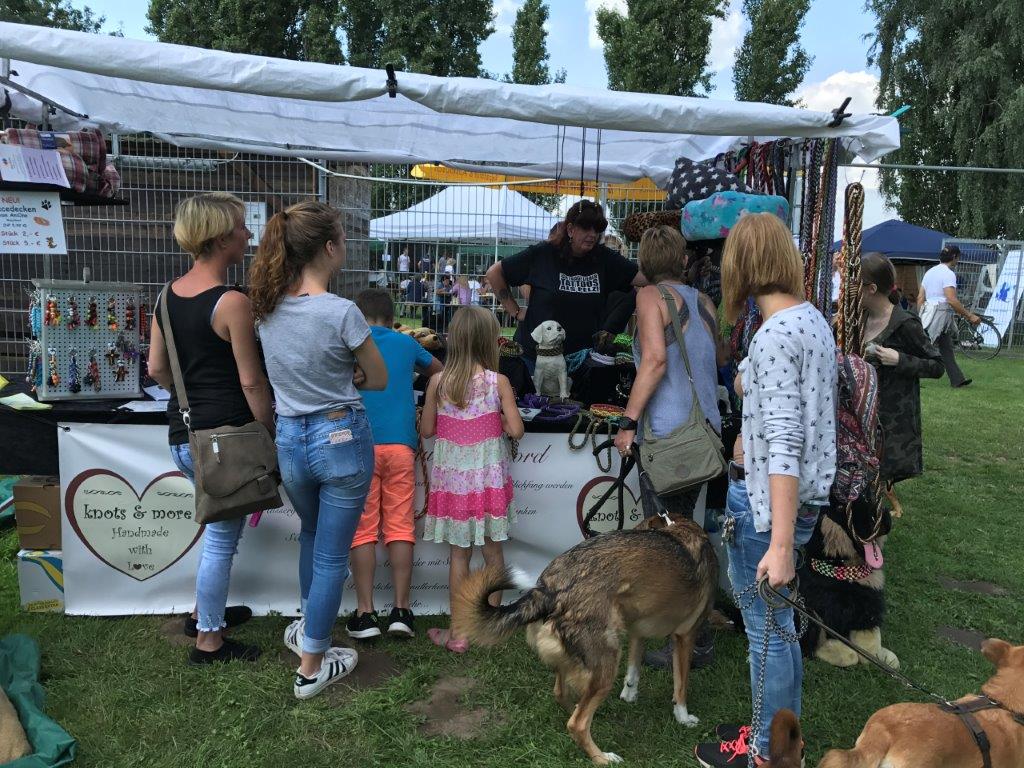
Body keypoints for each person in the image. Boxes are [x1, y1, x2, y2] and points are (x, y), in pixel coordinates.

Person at [694, 213, 837, 768]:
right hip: (797, 503)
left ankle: (766, 755)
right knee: (779, 625)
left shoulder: (775, 335)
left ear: (742, 265)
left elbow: (784, 442)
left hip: (767, 509)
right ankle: (780, 741)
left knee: (767, 632)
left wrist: (778, 545)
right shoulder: (809, 320)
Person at [248, 201, 388, 700]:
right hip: (339, 436)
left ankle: (309, 627)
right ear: (329, 248)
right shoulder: (341, 311)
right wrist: (348, 375)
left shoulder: (265, 310)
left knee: (312, 536)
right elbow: (378, 377)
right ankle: (311, 665)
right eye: (343, 240)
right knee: (331, 555)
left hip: (290, 439)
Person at [147, 192, 273, 665]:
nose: (248, 234)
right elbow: (251, 381)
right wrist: (267, 431)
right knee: (221, 539)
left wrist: (191, 397)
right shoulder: (231, 302)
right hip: (229, 441)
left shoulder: (165, 296)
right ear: (221, 238)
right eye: (241, 226)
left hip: (185, 436)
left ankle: (206, 612)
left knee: (218, 533)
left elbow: (156, 368)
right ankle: (209, 640)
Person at [613, 225, 723, 670]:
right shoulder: (704, 302)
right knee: (687, 533)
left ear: (643, 262)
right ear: (682, 260)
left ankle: (689, 640)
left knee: (668, 540)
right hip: (703, 432)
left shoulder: (650, 298)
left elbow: (656, 360)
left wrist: (628, 422)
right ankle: (697, 635)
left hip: (668, 436)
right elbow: (719, 356)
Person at [419, 306, 524, 653]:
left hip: (454, 485)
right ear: (489, 341)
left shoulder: (438, 382)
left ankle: (459, 632)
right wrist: (499, 422)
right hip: (488, 482)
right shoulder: (498, 382)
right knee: (493, 553)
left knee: (459, 557)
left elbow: (428, 429)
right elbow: (517, 429)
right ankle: (489, 625)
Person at [347, 289, 443, 640]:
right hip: (401, 446)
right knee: (401, 526)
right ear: (392, 319)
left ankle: (365, 613)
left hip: (359, 445)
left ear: (358, 318)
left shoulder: (350, 345)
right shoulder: (406, 343)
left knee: (363, 530)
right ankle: (402, 610)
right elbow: (439, 372)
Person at [486, 200, 643, 375]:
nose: (592, 234)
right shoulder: (543, 254)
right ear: (570, 229)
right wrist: (515, 311)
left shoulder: (605, 259)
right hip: (536, 360)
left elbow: (643, 278)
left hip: (580, 361)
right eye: (586, 227)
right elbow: (494, 273)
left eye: (597, 229)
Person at [860, 253, 943, 513]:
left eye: (855, 284)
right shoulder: (858, 319)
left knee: (877, 474)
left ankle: (872, 523)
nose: (849, 289)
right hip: (860, 414)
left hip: (890, 420)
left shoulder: (905, 324)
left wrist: (900, 360)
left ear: (872, 288)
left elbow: (937, 366)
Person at [917, 245, 980, 388]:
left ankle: (957, 380)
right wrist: (969, 315)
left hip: (929, 311)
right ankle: (909, 374)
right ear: (954, 257)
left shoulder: (929, 272)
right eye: (958, 257)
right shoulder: (948, 274)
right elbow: (951, 299)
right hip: (940, 313)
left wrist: (920, 316)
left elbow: (920, 297)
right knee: (925, 347)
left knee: (946, 347)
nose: (958, 260)